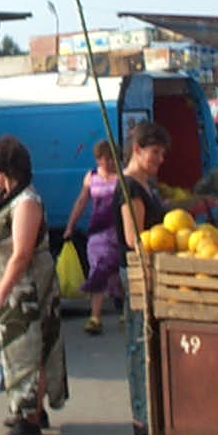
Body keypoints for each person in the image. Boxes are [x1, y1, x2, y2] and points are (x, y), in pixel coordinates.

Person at [0, 135, 68, 435]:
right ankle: (29, 407)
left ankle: (29, 414)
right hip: (18, 286)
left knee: (28, 348)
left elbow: (21, 254)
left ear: (5, 169)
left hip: (27, 288)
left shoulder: (26, 202)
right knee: (26, 348)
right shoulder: (13, 198)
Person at [118, 121, 169, 435]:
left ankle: (151, 412)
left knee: (148, 341)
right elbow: (132, 237)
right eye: (155, 153)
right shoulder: (130, 187)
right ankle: (142, 415)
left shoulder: (145, 184)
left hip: (153, 273)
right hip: (139, 275)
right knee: (140, 343)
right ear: (137, 149)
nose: (160, 159)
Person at [62, 139, 124, 336]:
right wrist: (70, 226)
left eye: (113, 159)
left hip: (118, 232)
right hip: (97, 233)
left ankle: (125, 311)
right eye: (105, 159)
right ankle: (95, 317)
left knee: (116, 274)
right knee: (97, 271)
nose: (110, 163)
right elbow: (81, 202)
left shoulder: (123, 179)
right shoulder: (91, 177)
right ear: (98, 159)